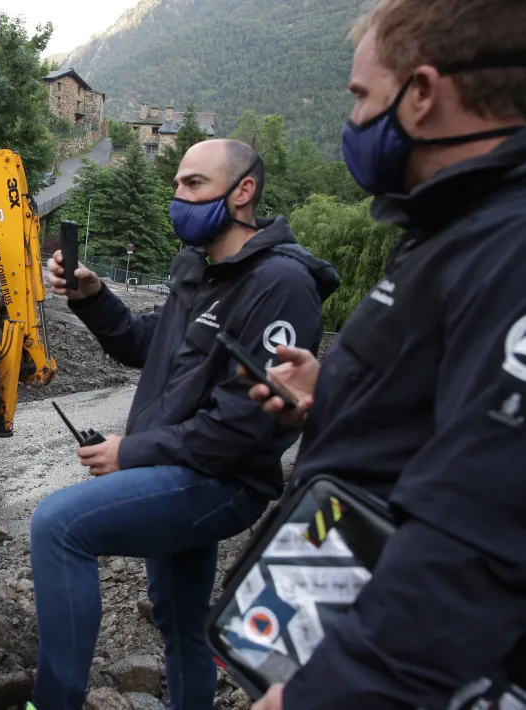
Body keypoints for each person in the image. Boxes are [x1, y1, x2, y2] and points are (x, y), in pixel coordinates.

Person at [243, 1, 526, 709]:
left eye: (364, 97)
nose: (358, 121)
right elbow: (442, 411)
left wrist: (329, 692)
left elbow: (477, 535)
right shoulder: (452, 226)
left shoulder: (509, 247)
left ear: (423, 94)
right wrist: (331, 388)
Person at [30, 139, 340, 710]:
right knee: (181, 620)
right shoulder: (200, 270)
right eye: (177, 184)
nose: (179, 196)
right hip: (176, 466)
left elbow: (242, 426)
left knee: (59, 524)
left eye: (194, 184)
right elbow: (148, 345)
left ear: (243, 191)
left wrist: (131, 452)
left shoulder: (281, 285)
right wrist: (94, 298)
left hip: (221, 479)